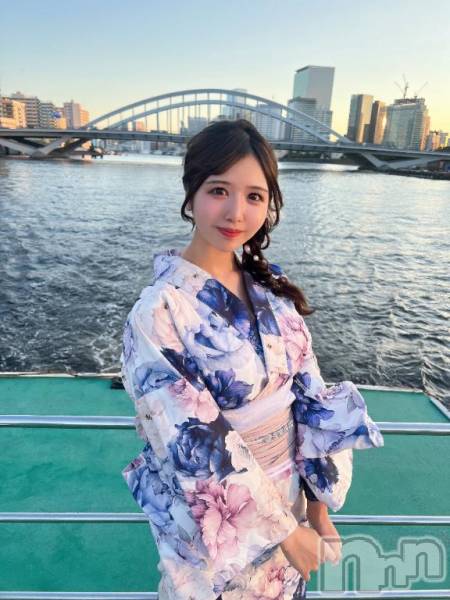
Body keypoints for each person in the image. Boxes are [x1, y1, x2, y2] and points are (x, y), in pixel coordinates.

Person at [120, 119, 384, 600]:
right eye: (219, 190)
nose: (236, 212)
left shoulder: (270, 293)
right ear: (191, 193)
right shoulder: (157, 314)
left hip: (292, 509)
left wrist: (316, 510)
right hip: (221, 527)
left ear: (269, 204)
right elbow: (189, 438)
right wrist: (283, 531)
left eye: (254, 196)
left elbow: (310, 397)